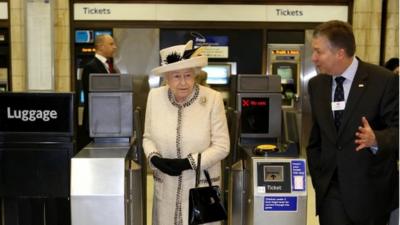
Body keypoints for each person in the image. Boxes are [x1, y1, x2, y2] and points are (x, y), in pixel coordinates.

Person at [307, 20, 399, 225]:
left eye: (318, 52)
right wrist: (320, 178)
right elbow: (316, 137)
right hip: (331, 192)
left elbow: (397, 130)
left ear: (339, 53)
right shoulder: (317, 85)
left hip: (371, 194)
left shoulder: (383, 81)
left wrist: (377, 139)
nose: (313, 58)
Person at [143, 40, 229, 225]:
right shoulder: (154, 97)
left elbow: (222, 146)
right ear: (166, 78)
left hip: (201, 188)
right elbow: (147, 138)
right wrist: (155, 158)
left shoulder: (213, 98)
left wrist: (188, 163)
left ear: (195, 75)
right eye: (176, 76)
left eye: (188, 75)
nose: (183, 82)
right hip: (166, 187)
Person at [79, 34, 117, 149]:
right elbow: (96, 97)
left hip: (107, 122)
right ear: (101, 47)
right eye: (111, 44)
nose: (115, 47)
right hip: (97, 123)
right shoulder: (91, 67)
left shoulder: (109, 67)